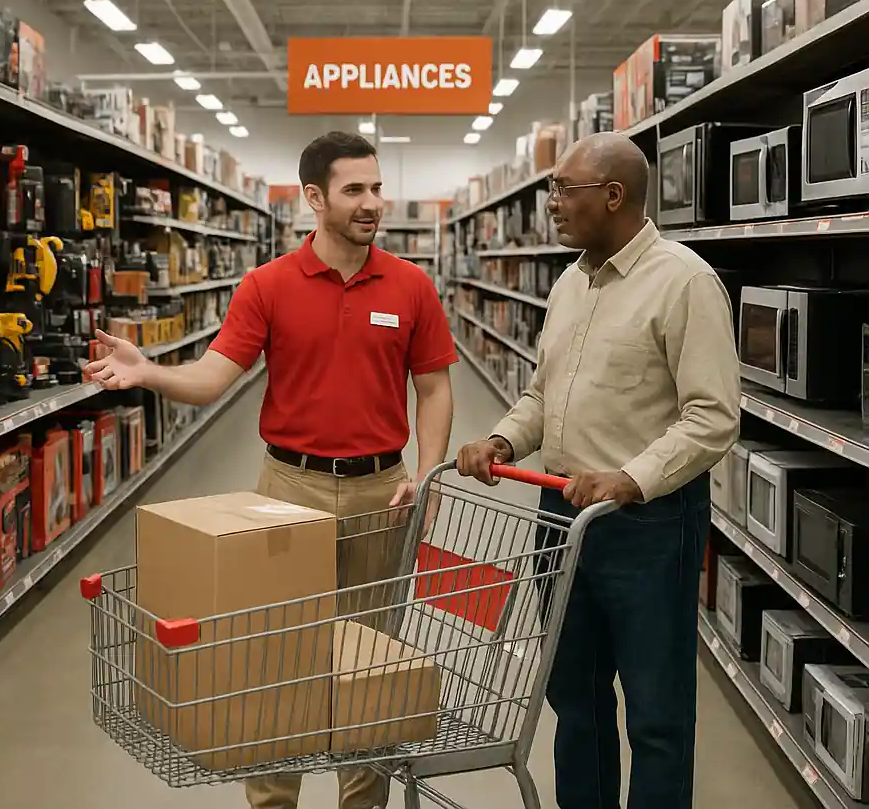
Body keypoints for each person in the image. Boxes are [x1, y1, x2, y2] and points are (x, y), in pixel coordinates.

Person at [86, 130, 457, 809]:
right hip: (288, 490)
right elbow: (212, 378)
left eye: (377, 188)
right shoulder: (268, 285)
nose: (372, 203)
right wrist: (149, 372)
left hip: (384, 491)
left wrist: (428, 476)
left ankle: (362, 802)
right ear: (315, 197)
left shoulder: (412, 286)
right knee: (273, 659)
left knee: (370, 660)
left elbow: (434, 389)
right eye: (354, 190)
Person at [456, 132, 740, 809]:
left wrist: (630, 477)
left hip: (646, 523)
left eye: (563, 189)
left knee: (656, 710)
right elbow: (542, 394)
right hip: (560, 516)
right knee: (574, 698)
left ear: (613, 195)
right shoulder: (569, 282)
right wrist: (501, 440)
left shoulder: (684, 282)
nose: (551, 203)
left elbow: (713, 416)